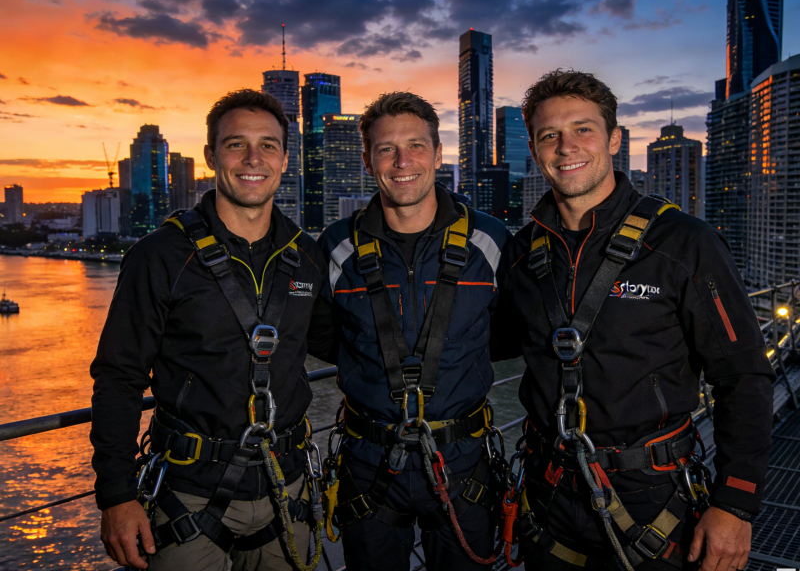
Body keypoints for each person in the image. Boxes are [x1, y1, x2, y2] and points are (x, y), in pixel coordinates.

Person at [492, 69, 775, 571]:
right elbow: (493, 343)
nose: (566, 147)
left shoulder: (683, 243)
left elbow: (744, 375)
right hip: (548, 492)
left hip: (653, 495)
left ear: (614, 139)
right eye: (549, 135)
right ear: (534, 150)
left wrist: (735, 503)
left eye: (583, 129)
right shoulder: (522, 252)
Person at [90, 89, 327, 571]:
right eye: (236, 144)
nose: (253, 159)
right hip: (189, 493)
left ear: (285, 160)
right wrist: (116, 495)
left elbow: (340, 343)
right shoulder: (160, 256)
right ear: (211, 156)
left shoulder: (306, 255)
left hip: (287, 487)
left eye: (268, 145)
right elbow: (119, 376)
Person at [312, 92, 511, 570]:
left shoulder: (490, 240)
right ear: (367, 161)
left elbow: (510, 331)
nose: (402, 162)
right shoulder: (336, 245)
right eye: (386, 149)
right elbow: (322, 335)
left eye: (416, 145)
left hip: (464, 458)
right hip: (368, 459)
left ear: (438, 154)